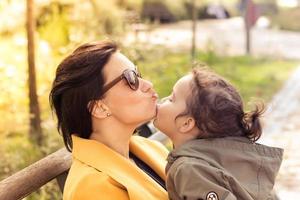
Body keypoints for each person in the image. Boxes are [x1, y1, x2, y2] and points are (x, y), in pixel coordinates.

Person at [49, 40, 169, 200]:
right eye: (130, 79)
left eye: (137, 74)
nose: (147, 84)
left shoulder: (150, 148)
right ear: (99, 107)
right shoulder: (91, 189)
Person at [153, 67, 283, 200]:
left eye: (171, 99)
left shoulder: (191, 169)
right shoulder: (227, 159)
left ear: (186, 124)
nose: (162, 99)